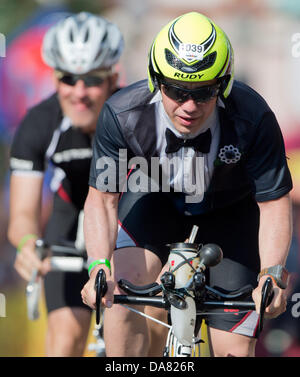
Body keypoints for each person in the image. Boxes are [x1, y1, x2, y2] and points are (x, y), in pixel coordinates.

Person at [81, 12, 293, 357]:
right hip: (154, 202)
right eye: (176, 91)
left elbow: (273, 203)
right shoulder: (122, 115)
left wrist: (272, 273)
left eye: (205, 92)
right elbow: (102, 199)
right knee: (119, 297)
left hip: (230, 214)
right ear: (155, 80)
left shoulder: (253, 117)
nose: (190, 106)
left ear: (223, 84)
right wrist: (97, 266)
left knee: (234, 350)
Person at [8, 12, 124, 356]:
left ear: (113, 78)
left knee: (131, 343)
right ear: (55, 77)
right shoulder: (39, 122)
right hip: (70, 229)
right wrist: (28, 243)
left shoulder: (134, 116)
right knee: (65, 341)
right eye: (68, 79)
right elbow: (23, 213)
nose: (79, 92)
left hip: (128, 232)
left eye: (92, 80)